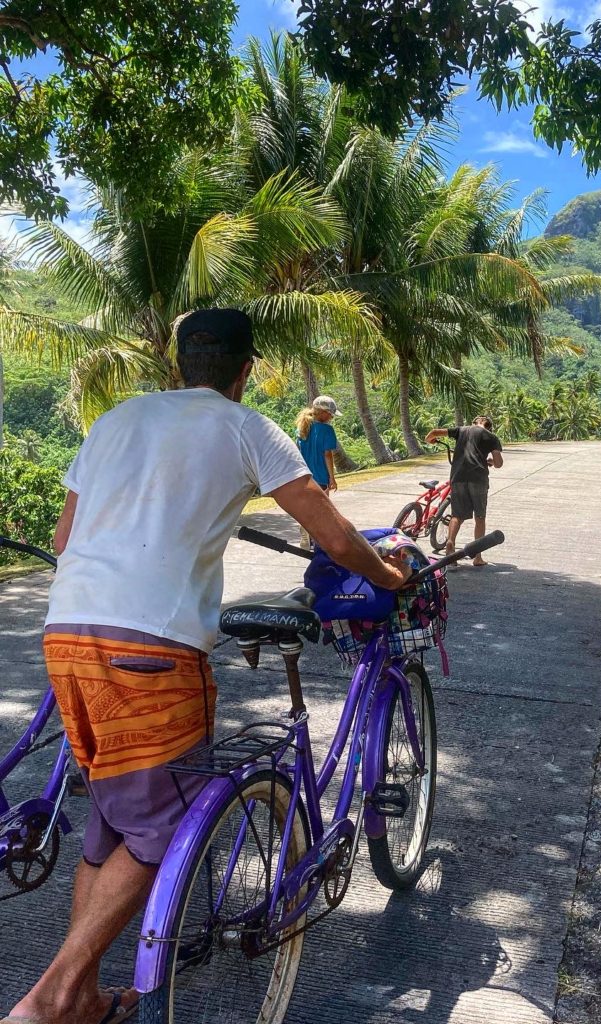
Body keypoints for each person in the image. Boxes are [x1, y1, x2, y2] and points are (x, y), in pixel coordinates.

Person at [3, 308, 409, 1024]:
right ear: (245, 371)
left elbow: (67, 535)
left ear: (178, 363)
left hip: (66, 632)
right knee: (166, 826)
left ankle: (83, 996)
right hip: (151, 651)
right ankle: (51, 999)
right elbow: (334, 536)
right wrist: (391, 575)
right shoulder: (247, 426)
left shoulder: (116, 419)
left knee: (114, 820)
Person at [425, 416, 503, 567]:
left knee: (457, 515)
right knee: (479, 517)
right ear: (489, 427)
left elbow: (433, 432)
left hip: (458, 476)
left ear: (474, 423)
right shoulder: (492, 437)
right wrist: (491, 462)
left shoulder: (461, 430)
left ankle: (450, 544)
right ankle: (478, 557)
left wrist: (430, 441)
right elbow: (498, 463)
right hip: (478, 478)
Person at [295, 394, 340, 549]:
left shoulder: (302, 427)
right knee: (321, 509)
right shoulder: (327, 430)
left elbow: (297, 452)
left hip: (303, 476)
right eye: (330, 414)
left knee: (307, 507)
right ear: (322, 412)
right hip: (320, 477)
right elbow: (327, 455)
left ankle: (305, 530)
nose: (331, 418)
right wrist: (332, 479)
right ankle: (316, 539)